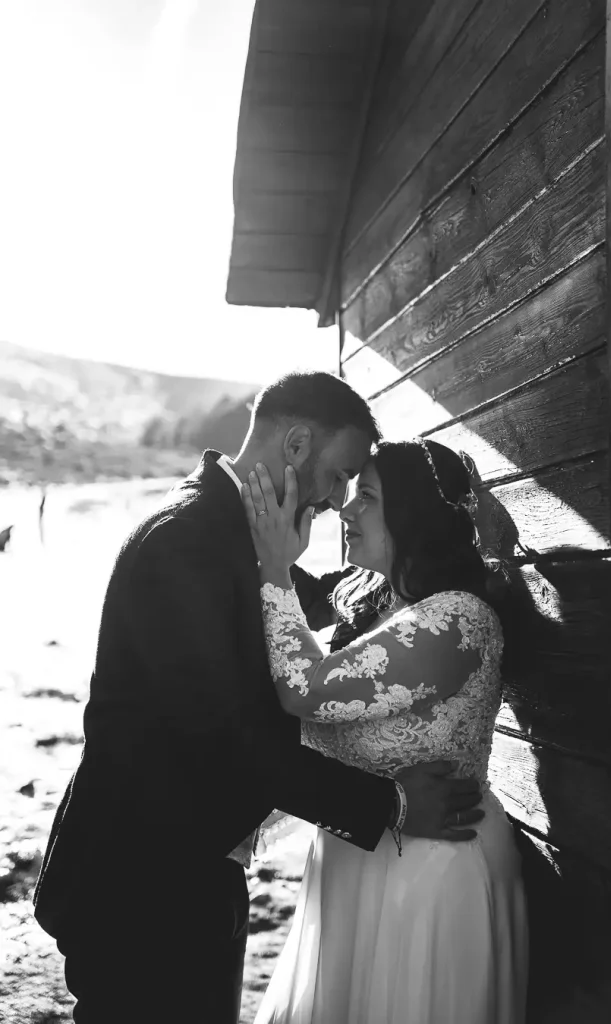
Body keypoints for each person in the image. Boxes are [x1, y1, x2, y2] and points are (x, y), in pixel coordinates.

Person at [33, 372, 486, 1024]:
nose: (335, 501)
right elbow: (228, 739)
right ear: (297, 443)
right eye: (337, 475)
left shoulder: (235, 532)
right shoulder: (185, 543)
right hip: (139, 882)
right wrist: (390, 803)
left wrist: (407, 572)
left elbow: (299, 596)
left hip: (186, 872)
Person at [242, 438, 528, 1024]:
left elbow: (304, 690)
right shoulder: (378, 601)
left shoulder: (456, 620)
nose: (346, 510)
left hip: (429, 876)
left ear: (413, 515)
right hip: (358, 855)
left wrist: (273, 566)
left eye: (365, 496)